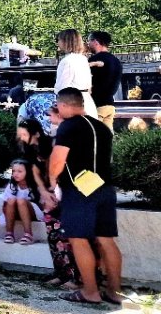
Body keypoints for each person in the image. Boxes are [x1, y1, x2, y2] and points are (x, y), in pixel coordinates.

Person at [48, 87, 123, 305]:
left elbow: (57, 160)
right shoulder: (102, 127)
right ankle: (114, 291)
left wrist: (52, 182)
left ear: (63, 105)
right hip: (105, 188)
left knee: (78, 239)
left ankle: (90, 291)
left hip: (80, 189)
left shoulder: (68, 126)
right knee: (106, 240)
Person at [18, 118, 80, 290]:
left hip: (61, 194)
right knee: (53, 237)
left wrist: (52, 190)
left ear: (36, 133)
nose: (22, 138)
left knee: (65, 237)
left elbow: (56, 169)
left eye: (24, 134)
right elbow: (35, 173)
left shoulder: (50, 146)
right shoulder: (29, 151)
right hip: (46, 197)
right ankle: (61, 273)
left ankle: (74, 276)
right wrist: (44, 193)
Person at [54, 29, 97, 118]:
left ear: (65, 41)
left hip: (72, 103)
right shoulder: (83, 59)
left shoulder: (67, 61)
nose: (58, 43)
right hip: (87, 101)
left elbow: (61, 88)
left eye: (59, 40)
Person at [2, 159, 43, 245]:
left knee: (20, 200)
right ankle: (9, 233)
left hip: (32, 213)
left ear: (27, 172)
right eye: (14, 171)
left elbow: (41, 204)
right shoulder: (11, 186)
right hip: (16, 213)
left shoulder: (34, 185)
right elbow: (5, 206)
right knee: (11, 199)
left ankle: (28, 234)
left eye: (20, 171)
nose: (16, 174)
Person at [87, 31, 122, 130]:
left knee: (95, 135)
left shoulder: (94, 59)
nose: (88, 44)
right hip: (110, 105)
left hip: (96, 106)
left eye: (89, 41)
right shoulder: (116, 61)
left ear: (95, 42)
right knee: (108, 136)